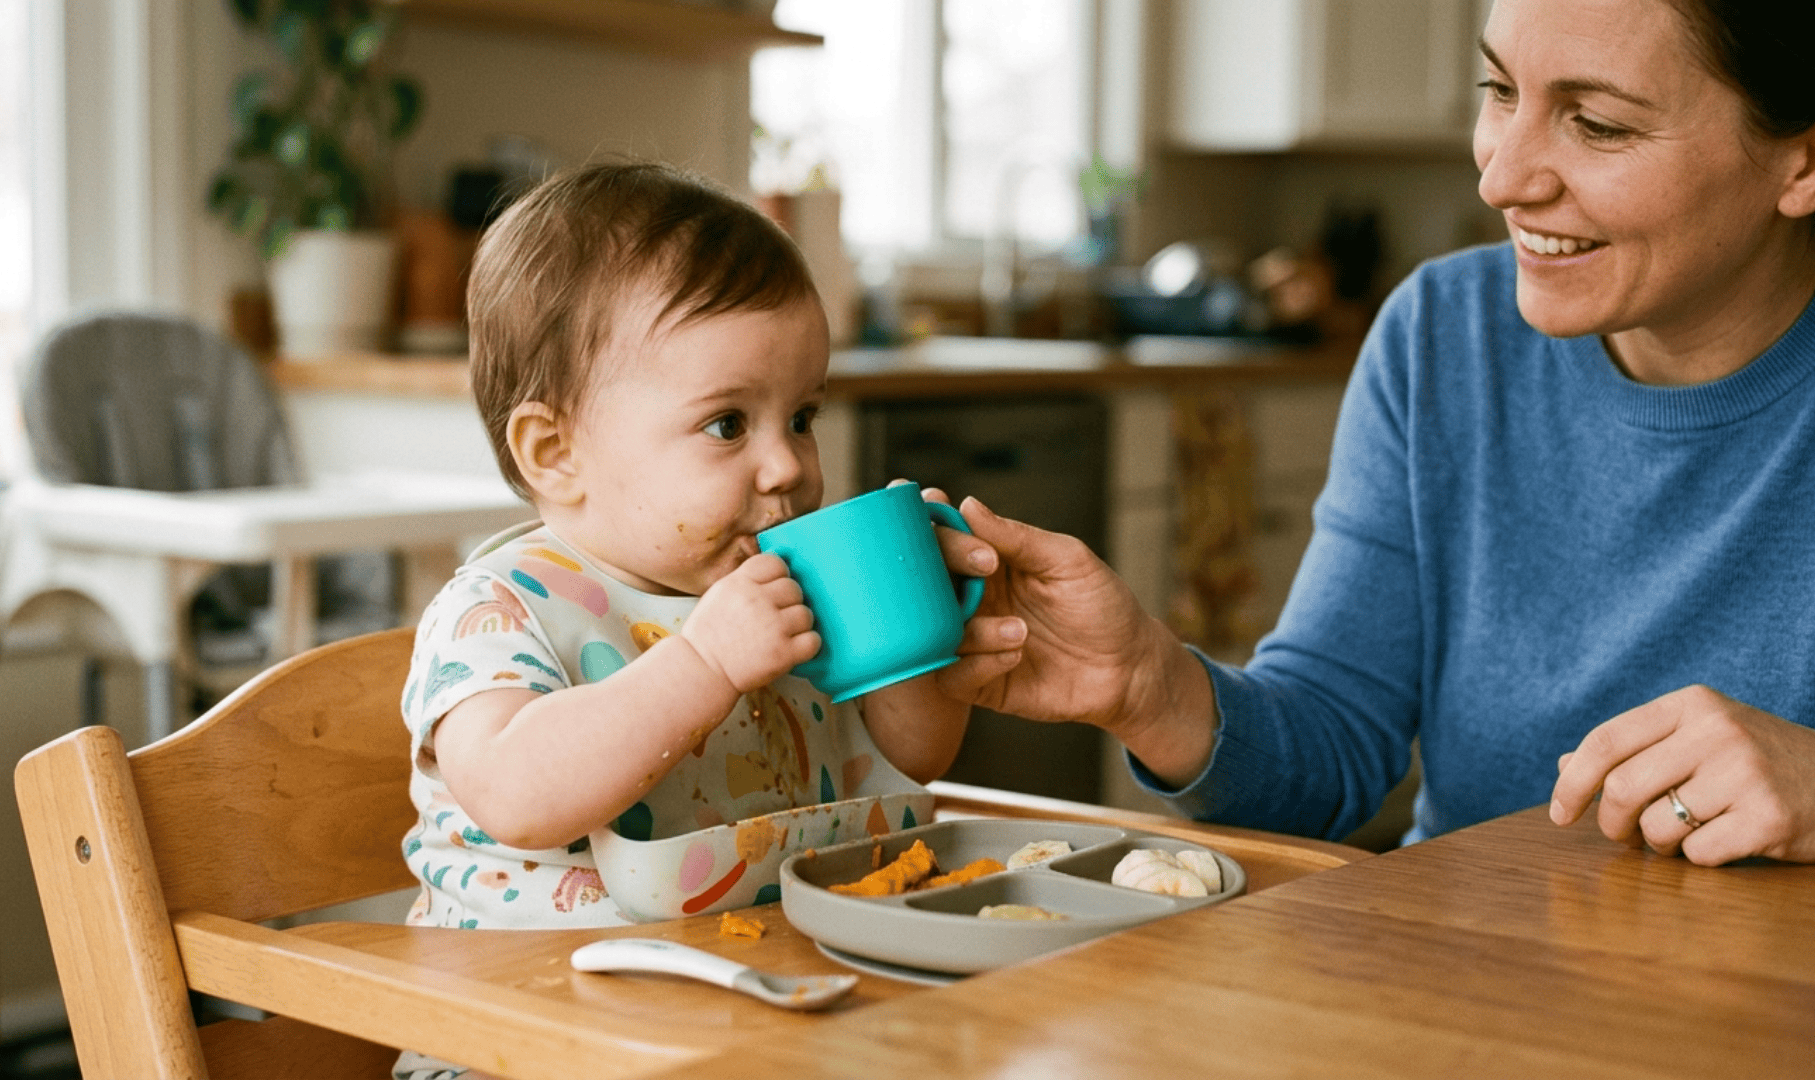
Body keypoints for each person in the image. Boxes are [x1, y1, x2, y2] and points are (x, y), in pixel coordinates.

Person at [928, 0, 1815, 869]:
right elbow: (1331, 750)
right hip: (1461, 972)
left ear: (1800, 160)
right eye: (1499, 90)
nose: (1502, 179)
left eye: (1598, 125)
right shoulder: (1442, 332)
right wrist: (1150, 687)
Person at [392, 161, 969, 1079]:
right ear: (557, 452)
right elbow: (514, 793)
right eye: (729, 426)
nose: (788, 466)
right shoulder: (497, 608)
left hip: (748, 1015)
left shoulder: (776, 590)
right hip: (515, 1036)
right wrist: (701, 663)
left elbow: (911, 760)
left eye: (803, 416)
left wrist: (923, 644)